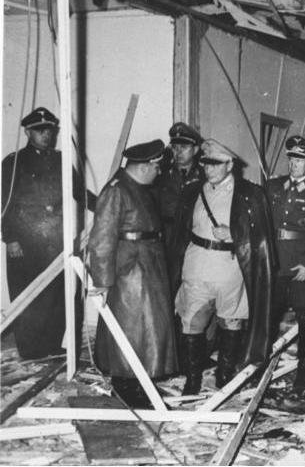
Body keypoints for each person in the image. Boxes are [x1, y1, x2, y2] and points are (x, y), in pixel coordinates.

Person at [171, 139, 275, 394]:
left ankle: (224, 376)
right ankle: (192, 378)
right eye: (206, 164)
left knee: (232, 322)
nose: (210, 169)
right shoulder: (192, 191)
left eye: (216, 164)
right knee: (191, 322)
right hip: (197, 266)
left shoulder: (250, 194)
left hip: (231, 269)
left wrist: (234, 234)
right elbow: (179, 232)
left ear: (230, 164)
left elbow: (263, 237)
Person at [88, 139, 178, 408]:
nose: (159, 172)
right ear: (144, 167)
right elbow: (101, 239)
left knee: (148, 330)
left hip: (147, 265)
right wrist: (102, 282)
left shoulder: (139, 188)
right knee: (131, 329)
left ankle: (140, 381)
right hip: (130, 272)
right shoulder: (117, 191)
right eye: (157, 167)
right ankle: (126, 385)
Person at [1, 107, 90, 360]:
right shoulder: (13, 162)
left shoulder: (61, 160)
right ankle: (30, 350)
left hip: (54, 239)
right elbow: (5, 204)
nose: (46, 135)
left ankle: (51, 345)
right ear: (28, 132)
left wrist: (108, 200)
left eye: (49, 130)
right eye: (40, 130)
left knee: (56, 294)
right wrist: (10, 238)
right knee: (26, 293)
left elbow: (79, 193)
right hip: (24, 241)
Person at [265, 135, 305, 393]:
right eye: (292, 158)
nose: (295, 164)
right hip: (276, 263)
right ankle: (262, 367)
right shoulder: (272, 187)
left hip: (301, 265)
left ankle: (303, 375)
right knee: (269, 316)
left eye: (301, 160)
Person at [154, 122, 204, 264]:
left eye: (184, 147)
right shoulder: (160, 176)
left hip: (193, 240)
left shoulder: (204, 178)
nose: (178, 152)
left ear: (195, 150)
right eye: (175, 148)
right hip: (165, 241)